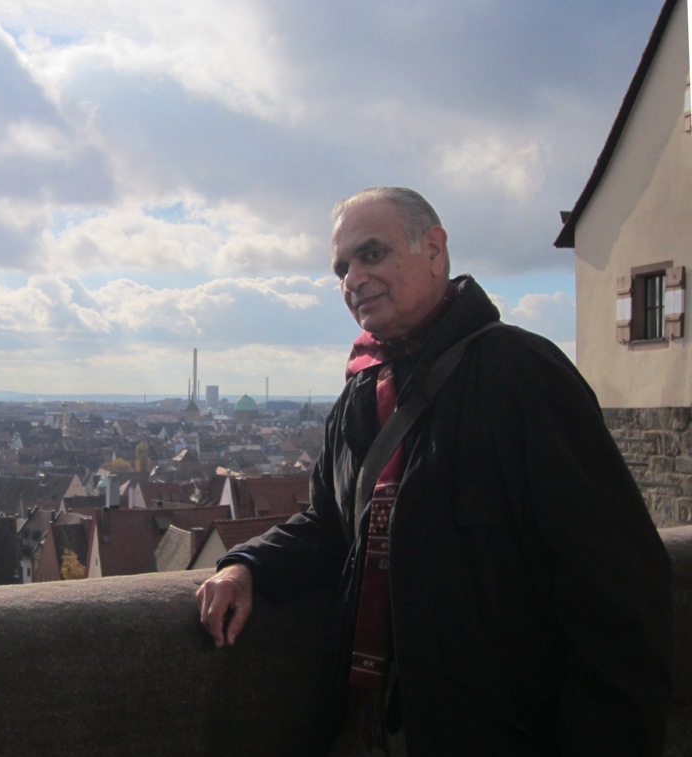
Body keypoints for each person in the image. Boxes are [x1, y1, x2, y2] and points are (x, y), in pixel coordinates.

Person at [196, 187, 672, 756]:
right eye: (342, 267)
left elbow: (618, 590)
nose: (353, 279)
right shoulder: (361, 392)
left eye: (372, 254)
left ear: (434, 250)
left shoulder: (522, 375)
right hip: (367, 727)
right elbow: (330, 527)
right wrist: (245, 567)